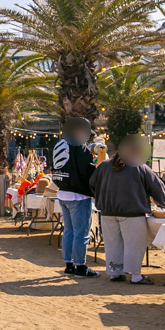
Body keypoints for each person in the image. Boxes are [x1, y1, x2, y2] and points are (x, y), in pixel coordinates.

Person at [89, 134, 165, 284]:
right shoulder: (140, 167)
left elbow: (92, 183)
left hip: (108, 212)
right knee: (134, 244)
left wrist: (102, 197)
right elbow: (156, 187)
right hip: (132, 213)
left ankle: (115, 273)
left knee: (112, 244)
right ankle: (136, 276)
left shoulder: (104, 165)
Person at [52, 117, 98, 277]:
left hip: (63, 193)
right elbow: (86, 170)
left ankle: (69, 264)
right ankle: (80, 266)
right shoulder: (80, 146)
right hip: (78, 196)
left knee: (69, 231)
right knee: (81, 232)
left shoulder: (60, 144)